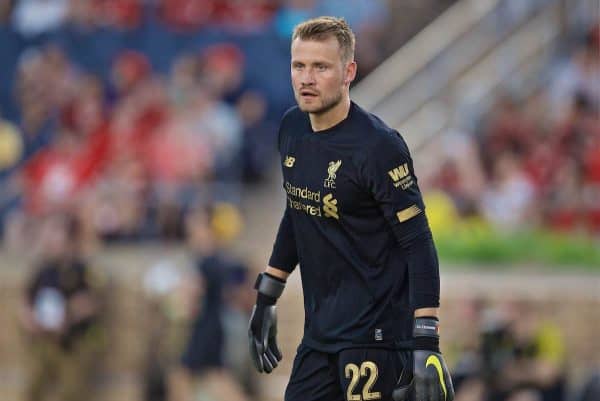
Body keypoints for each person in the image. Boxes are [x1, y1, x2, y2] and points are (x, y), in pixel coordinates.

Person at [248, 16, 454, 401]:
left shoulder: (379, 147)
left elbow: (418, 242)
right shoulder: (292, 128)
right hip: (320, 335)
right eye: (299, 65)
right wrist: (267, 294)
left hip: (376, 338)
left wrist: (427, 338)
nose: (306, 78)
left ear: (349, 72)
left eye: (321, 67)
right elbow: (299, 209)